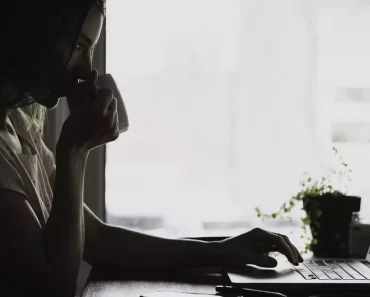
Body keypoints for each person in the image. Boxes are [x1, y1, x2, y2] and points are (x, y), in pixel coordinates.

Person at [0, 1, 303, 296]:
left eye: (90, 51)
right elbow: (53, 287)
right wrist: (74, 150)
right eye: (79, 47)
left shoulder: (21, 128)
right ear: (35, 32)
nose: (89, 71)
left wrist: (220, 251)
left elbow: (98, 239)